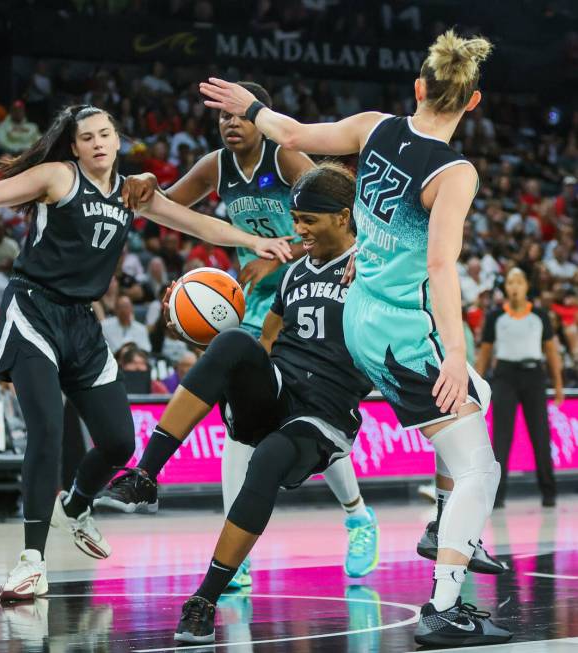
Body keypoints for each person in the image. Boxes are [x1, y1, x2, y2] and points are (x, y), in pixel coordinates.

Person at [200, 29, 512, 646]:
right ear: (472, 103)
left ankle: (442, 529)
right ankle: (443, 608)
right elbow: (442, 266)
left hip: (358, 315)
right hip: (399, 332)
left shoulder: (376, 127)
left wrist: (252, 107)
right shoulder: (455, 171)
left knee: (478, 399)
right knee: (480, 468)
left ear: (419, 87)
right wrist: (451, 350)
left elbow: (292, 136)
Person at [0, 104, 291, 603]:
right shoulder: (57, 176)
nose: (99, 142)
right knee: (47, 427)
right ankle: (31, 560)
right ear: (75, 146)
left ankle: (77, 506)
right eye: (88, 137)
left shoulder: (132, 193)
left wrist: (258, 242)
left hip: (82, 321)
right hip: (33, 308)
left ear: (119, 139)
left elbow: (198, 225)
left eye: (107, 133)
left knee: (119, 442)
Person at [101, 83, 380, 586]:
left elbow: (332, 214)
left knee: (313, 413)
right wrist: (143, 179)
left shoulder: (288, 156)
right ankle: (239, 559)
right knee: (242, 430)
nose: (229, 125)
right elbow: (164, 205)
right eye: (222, 119)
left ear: (259, 119)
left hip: (316, 290)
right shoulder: (215, 165)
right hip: (253, 307)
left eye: (239, 116)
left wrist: (280, 250)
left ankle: (357, 515)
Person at [476, 268, 564, 507]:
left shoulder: (539, 315)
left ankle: (548, 493)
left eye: (519, 281)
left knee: (540, 436)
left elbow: (551, 352)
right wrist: (475, 384)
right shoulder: (495, 316)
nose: (514, 286)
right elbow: (484, 354)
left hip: (534, 376)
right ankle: (498, 496)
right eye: (511, 282)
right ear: (506, 288)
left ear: (526, 286)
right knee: (502, 438)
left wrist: (557, 384)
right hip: (505, 376)